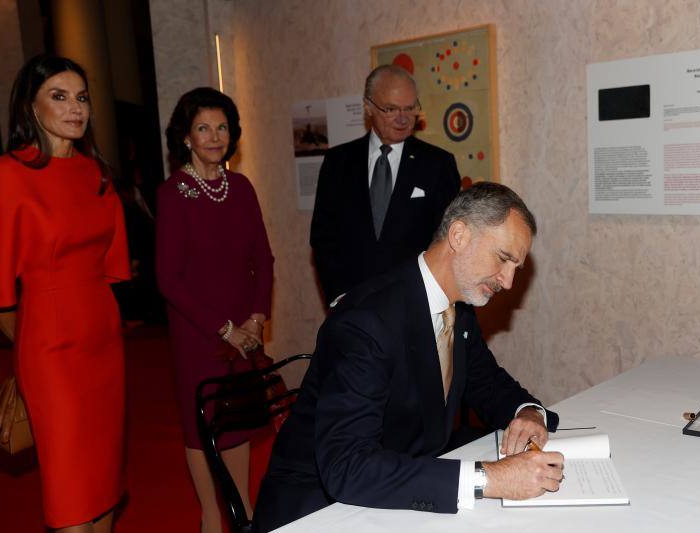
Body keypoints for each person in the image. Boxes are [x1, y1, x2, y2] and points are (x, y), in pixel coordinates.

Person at [254, 182, 564, 532]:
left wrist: (527, 413)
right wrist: (488, 479)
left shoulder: (458, 309)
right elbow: (347, 467)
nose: (508, 282)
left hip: (395, 491)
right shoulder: (366, 321)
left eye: (516, 268)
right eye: (503, 258)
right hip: (318, 509)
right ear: (458, 236)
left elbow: (487, 382)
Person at [0, 54, 130, 532]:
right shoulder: (8, 176)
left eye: (81, 97)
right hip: (51, 354)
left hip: (105, 344)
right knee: (69, 488)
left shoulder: (97, 174)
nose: (75, 108)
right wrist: (30, 351)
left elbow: (111, 268)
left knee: (105, 480)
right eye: (59, 96)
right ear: (31, 107)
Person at [156, 87, 274, 533]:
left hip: (244, 329)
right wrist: (223, 329)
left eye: (221, 127)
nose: (214, 137)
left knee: (237, 420)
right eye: (203, 128)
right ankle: (211, 518)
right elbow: (169, 279)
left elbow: (264, 260)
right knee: (202, 424)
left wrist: (256, 319)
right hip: (198, 333)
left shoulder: (240, 187)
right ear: (186, 137)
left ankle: (242, 512)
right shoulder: (173, 193)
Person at [310, 64, 461, 306]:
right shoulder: (338, 162)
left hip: (416, 304)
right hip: (353, 304)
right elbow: (324, 236)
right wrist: (340, 297)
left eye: (410, 108)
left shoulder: (437, 165)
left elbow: (448, 241)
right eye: (390, 109)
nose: (403, 118)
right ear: (368, 106)